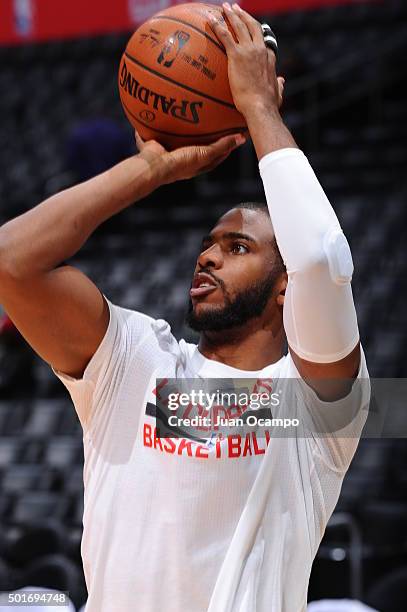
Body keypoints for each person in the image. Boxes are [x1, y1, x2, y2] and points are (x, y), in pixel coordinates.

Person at [0, 4, 370, 612]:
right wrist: (147, 169)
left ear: (285, 289)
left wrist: (259, 110)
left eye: (237, 246)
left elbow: (323, 261)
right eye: (206, 246)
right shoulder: (134, 359)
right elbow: (13, 261)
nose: (208, 258)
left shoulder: (313, 408)